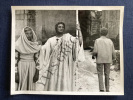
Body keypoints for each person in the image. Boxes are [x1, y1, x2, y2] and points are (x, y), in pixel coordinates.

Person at [36, 22, 85, 91]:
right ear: (56, 28)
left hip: (65, 65)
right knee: (53, 81)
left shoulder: (69, 38)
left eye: (62, 27)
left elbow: (79, 42)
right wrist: (35, 47)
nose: (61, 28)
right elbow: (43, 50)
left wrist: (79, 30)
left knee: (64, 81)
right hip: (53, 66)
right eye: (59, 27)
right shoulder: (51, 40)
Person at [15, 26, 41, 91]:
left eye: (30, 33)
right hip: (21, 66)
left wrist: (37, 73)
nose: (29, 35)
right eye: (27, 33)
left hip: (32, 66)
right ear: (23, 35)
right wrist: (16, 73)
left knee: (31, 86)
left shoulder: (35, 45)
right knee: (22, 85)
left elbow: (37, 60)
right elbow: (15, 60)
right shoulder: (17, 45)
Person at [92, 27, 116, 92]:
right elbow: (113, 51)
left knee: (100, 73)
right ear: (107, 33)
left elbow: (95, 51)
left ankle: (101, 88)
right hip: (108, 60)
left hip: (100, 59)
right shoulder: (110, 41)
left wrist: (93, 55)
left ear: (100, 33)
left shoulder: (97, 40)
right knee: (107, 74)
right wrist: (114, 58)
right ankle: (107, 88)